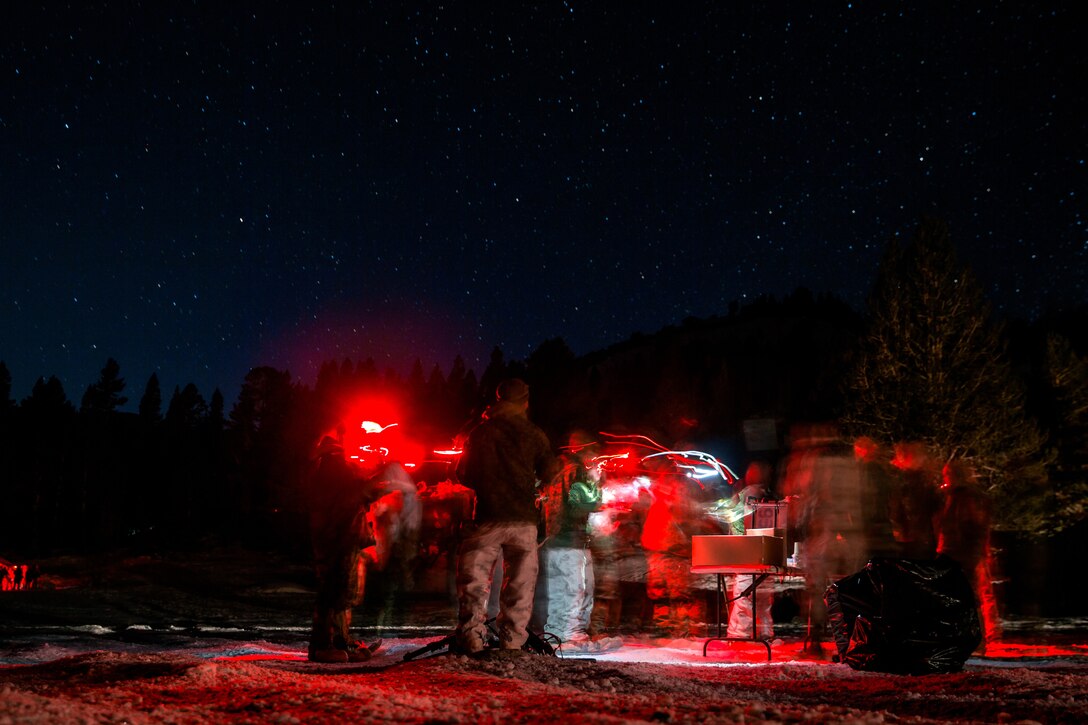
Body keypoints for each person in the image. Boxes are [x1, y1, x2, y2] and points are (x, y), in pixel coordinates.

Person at [454, 378, 560, 656]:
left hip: (487, 516)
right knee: (521, 584)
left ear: (498, 401)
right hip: (523, 519)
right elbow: (550, 473)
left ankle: (472, 639)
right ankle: (512, 642)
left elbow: (461, 473)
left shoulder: (480, 433)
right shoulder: (534, 433)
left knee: (474, 581)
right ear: (525, 402)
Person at [306, 433, 413, 663]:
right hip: (341, 538)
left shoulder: (324, 473)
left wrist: (380, 481)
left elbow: (356, 492)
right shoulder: (332, 471)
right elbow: (359, 491)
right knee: (338, 592)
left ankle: (338, 642)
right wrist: (385, 477)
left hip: (335, 538)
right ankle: (325, 646)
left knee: (338, 592)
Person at [534, 429, 603, 648]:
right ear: (584, 450)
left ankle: (558, 634)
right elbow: (583, 504)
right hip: (570, 539)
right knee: (575, 590)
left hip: (555, 541)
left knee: (561, 590)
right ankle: (571, 637)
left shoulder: (555, 471)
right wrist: (597, 486)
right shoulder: (576, 472)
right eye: (594, 452)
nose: (596, 458)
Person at [937, 459, 1002, 653]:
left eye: (948, 475)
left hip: (961, 554)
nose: (945, 479)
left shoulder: (967, 498)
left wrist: (971, 554)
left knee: (968, 597)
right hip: (954, 552)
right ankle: (966, 637)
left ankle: (976, 639)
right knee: (959, 596)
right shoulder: (955, 496)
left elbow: (971, 528)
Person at [726, 461, 776, 641]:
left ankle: (744, 635)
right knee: (756, 595)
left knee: (749, 594)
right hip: (753, 550)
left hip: (750, 550)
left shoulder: (749, 493)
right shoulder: (754, 493)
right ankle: (754, 635)